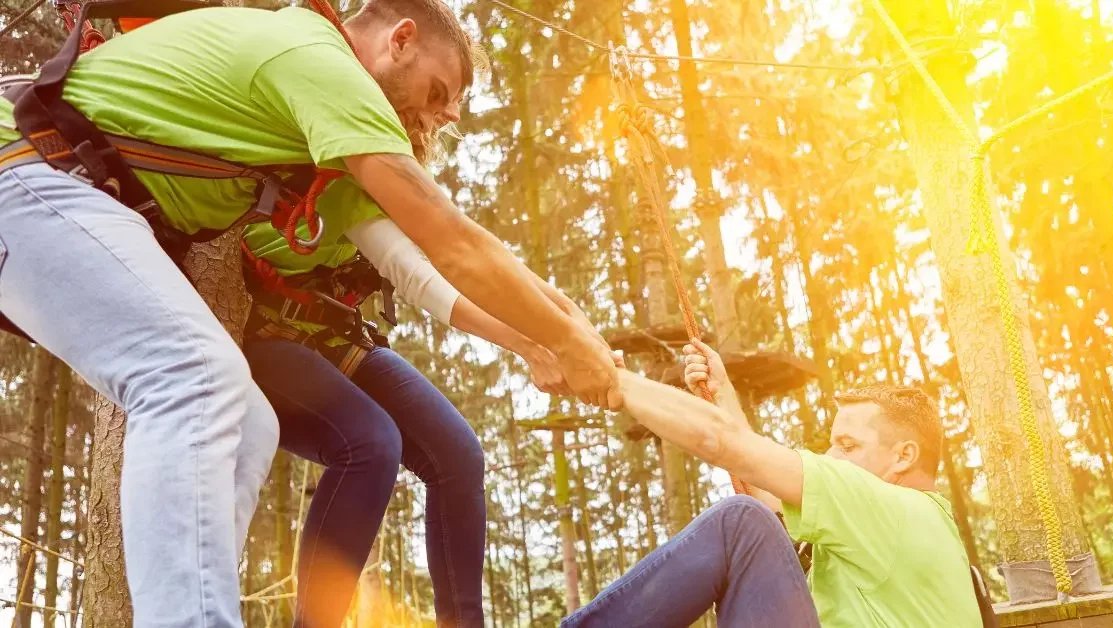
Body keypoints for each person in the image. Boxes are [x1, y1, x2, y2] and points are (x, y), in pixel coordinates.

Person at [0, 2, 615, 626]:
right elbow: (451, 240)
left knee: (247, 420)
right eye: (438, 92)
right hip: (27, 167)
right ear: (401, 40)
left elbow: (426, 258)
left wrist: (565, 333)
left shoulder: (326, 144)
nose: (446, 116)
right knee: (196, 379)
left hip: (61, 190)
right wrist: (562, 339)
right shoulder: (315, 58)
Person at [237, 129, 571, 627]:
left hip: (334, 341)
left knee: (456, 455)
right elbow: (418, 277)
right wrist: (524, 344)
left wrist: (560, 321)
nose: (449, 116)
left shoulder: (405, 188)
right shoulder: (347, 170)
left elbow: (464, 261)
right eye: (437, 99)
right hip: (260, 338)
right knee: (371, 444)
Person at [565, 340, 982, 627]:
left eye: (848, 445)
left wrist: (616, 383)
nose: (831, 457)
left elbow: (723, 444)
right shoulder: (919, 526)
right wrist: (724, 396)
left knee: (739, 521)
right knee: (752, 524)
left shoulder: (895, 511)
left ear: (903, 457)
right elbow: (770, 501)